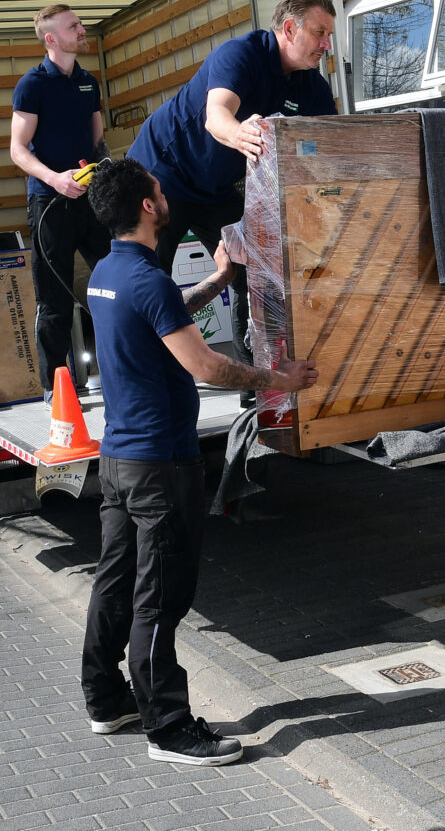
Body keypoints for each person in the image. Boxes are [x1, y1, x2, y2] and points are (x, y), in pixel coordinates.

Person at [81, 157, 319, 765]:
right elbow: (206, 365)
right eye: (158, 191)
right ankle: (169, 728)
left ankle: (106, 699)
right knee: (160, 598)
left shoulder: (107, 273)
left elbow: (160, 315)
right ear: (145, 206)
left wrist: (217, 280)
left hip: (119, 459)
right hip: (162, 464)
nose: (166, 197)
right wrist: (277, 378)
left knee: (114, 582)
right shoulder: (147, 280)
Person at [127, 0, 337, 397]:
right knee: (150, 280)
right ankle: (144, 379)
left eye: (329, 36)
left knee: (250, 270)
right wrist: (240, 132)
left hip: (217, 186)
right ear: (290, 28)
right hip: (162, 175)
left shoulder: (311, 85)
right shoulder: (240, 55)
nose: (327, 45)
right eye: (319, 33)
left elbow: (333, 143)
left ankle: (253, 383)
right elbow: (216, 116)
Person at [10, 5, 111, 402]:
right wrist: (54, 178)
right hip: (49, 203)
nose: (82, 29)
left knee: (115, 284)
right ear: (51, 39)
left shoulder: (88, 82)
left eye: (81, 23)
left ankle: (124, 368)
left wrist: (105, 177)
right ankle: (58, 388)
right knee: (53, 299)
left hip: (92, 200)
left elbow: (98, 141)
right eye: (74, 27)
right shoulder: (31, 85)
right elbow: (18, 150)